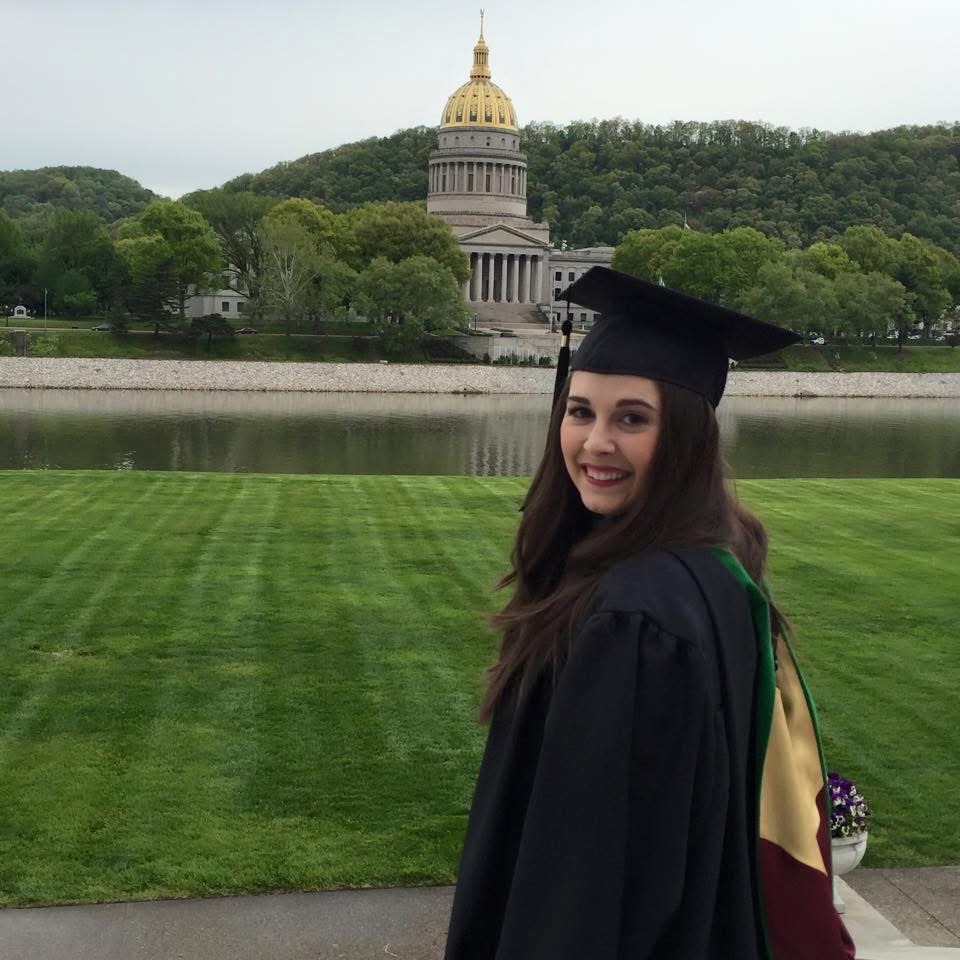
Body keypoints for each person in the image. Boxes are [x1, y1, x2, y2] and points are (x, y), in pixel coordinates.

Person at [443, 267, 855, 960]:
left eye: (632, 418)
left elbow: (591, 885)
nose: (595, 443)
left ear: (688, 435)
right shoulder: (715, 570)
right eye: (580, 411)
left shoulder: (633, 621)